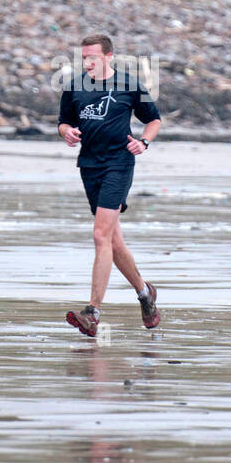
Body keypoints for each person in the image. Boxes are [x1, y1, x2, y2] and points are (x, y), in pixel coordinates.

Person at [58, 34, 163, 337]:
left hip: (119, 164)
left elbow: (154, 119)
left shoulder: (129, 85)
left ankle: (93, 312)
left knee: (99, 234)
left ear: (108, 57)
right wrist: (67, 133)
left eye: (93, 57)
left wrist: (144, 142)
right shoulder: (74, 86)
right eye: (84, 57)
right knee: (113, 241)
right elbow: (63, 121)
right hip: (89, 166)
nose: (87, 62)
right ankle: (145, 294)